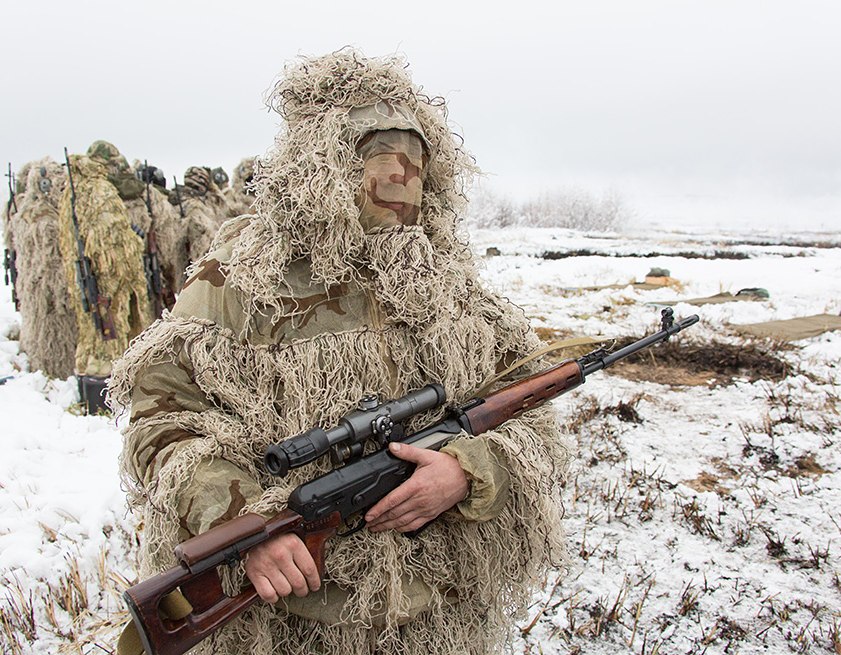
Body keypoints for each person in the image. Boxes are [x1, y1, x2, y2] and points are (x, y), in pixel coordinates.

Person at [110, 49, 566, 655]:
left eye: (414, 160)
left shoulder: (449, 283)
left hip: (440, 620)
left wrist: (467, 471)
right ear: (318, 166)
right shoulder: (241, 281)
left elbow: (531, 409)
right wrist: (243, 527)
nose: (400, 180)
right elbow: (162, 422)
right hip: (292, 624)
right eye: (378, 157)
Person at [58, 145, 153, 413]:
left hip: (84, 275)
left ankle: (91, 397)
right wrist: (135, 239)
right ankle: (105, 403)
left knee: (92, 335)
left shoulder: (74, 190)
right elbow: (116, 248)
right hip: (107, 280)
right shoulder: (100, 191)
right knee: (108, 335)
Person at [8, 158, 78, 379]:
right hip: (50, 288)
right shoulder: (48, 219)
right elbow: (52, 259)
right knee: (55, 333)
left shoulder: (24, 212)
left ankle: (42, 368)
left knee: (40, 328)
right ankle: (57, 375)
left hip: (33, 286)